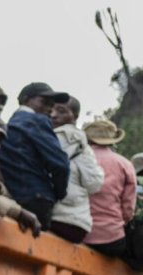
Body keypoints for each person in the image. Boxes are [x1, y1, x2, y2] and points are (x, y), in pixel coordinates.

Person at [0, 82, 70, 231]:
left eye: (52, 105)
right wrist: (59, 193)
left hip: (13, 197)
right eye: (44, 102)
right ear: (25, 100)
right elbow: (60, 165)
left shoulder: (7, 126)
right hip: (37, 198)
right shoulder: (37, 121)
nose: (50, 109)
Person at [49, 96, 104, 243]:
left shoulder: (46, 139)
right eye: (52, 109)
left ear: (75, 116)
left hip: (50, 217)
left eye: (61, 111)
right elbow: (94, 185)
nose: (54, 114)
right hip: (77, 223)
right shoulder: (83, 148)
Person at [83, 120, 136, 258]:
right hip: (112, 239)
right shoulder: (125, 164)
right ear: (112, 141)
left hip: (79, 234)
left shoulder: (76, 159)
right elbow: (128, 210)